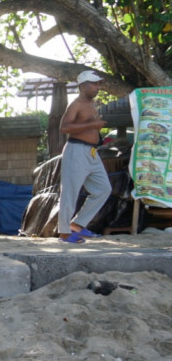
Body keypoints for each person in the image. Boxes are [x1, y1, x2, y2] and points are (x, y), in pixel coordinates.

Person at [57, 70, 111, 243]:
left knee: (104, 188)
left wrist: (95, 126)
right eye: (94, 84)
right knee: (70, 193)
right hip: (76, 151)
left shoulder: (92, 103)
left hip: (92, 152)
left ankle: (78, 224)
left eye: (98, 84)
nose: (97, 87)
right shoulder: (76, 104)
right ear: (82, 86)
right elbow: (64, 128)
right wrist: (93, 124)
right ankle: (64, 233)